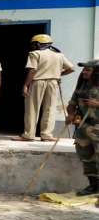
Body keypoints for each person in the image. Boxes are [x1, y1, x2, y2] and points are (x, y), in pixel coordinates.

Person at [13, 34, 74, 142]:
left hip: (37, 82)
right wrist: (58, 75)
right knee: (50, 109)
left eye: (34, 44)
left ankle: (28, 135)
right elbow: (71, 68)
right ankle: (46, 135)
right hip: (53, 83)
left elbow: (32, 70)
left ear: (38, 44)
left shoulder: (35, 54)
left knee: (32, 109)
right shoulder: (59, 55)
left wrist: (26, 85)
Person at [66, 60, 99, 196]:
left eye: (88, 70)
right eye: (84, 70)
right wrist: (71, 114)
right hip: (84, 127)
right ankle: (94, 186)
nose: (84, 72)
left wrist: (97, 104)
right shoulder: (82, 86)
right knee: (86, 157)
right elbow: (72, 103)